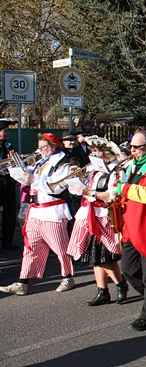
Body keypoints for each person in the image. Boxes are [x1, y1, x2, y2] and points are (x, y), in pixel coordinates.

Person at [100, 128, 146, 331]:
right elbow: (121, 187)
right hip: (131, 225)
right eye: (131, 146)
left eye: (136, 147)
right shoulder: (132, 164)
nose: (132, 150)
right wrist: (108, 193)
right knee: (128, 270)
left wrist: (125, 189)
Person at [0, 133, 75, 295]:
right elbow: (26, 178)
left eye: (44, 147)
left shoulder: (63, 163)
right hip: (35, 211)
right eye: (39, 147)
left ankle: (68, 277)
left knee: (60, 248)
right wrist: (16, 166)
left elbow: (55, 187)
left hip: (53, 212)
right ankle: (23, 282)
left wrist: (32, 178)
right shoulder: (41, 161)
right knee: (30, 248)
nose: (40, 150)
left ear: (54, 146)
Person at [67, 136, 129, 306]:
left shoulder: (116, 170)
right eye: (92, 150)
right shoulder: (92, 170)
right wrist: (75, 181)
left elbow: (112, 195)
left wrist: (91, 193)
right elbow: (79, 190)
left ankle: (120, 284)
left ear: (106, 152)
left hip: (105, 216)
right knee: (96, 256)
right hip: (89, 215)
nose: (93, 154)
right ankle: (103, 290)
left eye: (96, 150)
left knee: (105, 257)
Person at [0, 121, 17, 251]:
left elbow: (15, 161)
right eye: (2, 130)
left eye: (5, 130)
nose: (5, 133)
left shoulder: (8, 145)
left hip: (8, 182)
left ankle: (7, 242)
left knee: (10, 212)